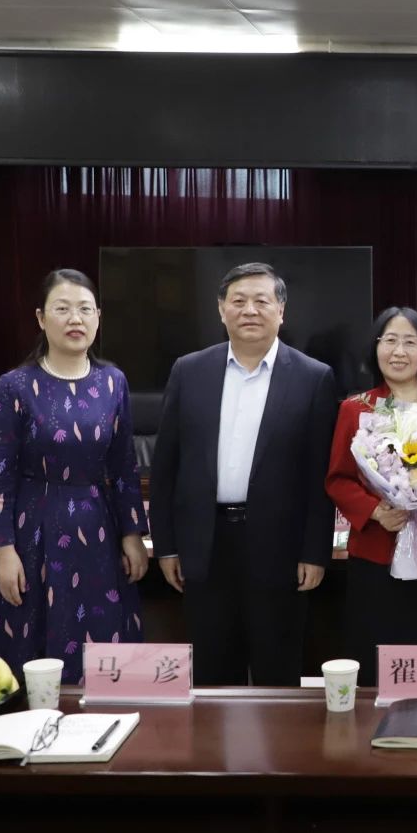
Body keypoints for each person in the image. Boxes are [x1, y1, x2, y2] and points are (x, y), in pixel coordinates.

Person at [150, 263, 339, 686]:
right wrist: (166, 546)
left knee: (278, 671)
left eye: (261, 301)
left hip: (280, 550)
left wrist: (314, 552)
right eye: (238, 301)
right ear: (221, 310)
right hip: (205, 545)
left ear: (281, 311)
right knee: (213, 674)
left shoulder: (313, 377)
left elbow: (319, 477)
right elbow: (166, 467)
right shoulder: (189, 371)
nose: (249, 310)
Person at [0, 269, 149, 684]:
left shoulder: (113, 382)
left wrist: (133, 534)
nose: (75, 319)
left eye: (85, 309)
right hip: (33, 528)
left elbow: (123, 465)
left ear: (98, 317)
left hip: (98, 527)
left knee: (104, 630)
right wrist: (3, 551)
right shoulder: (14, 386)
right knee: (34, 636)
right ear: (41, 318)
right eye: (62, 309)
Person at [325, 307, 417, 686]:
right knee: (376, 659)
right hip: (376, 553)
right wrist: (375, 511)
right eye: (390, 341)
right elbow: (338, 479)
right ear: (376, 349)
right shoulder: (356, 408)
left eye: (409, 342)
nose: (399, 351)